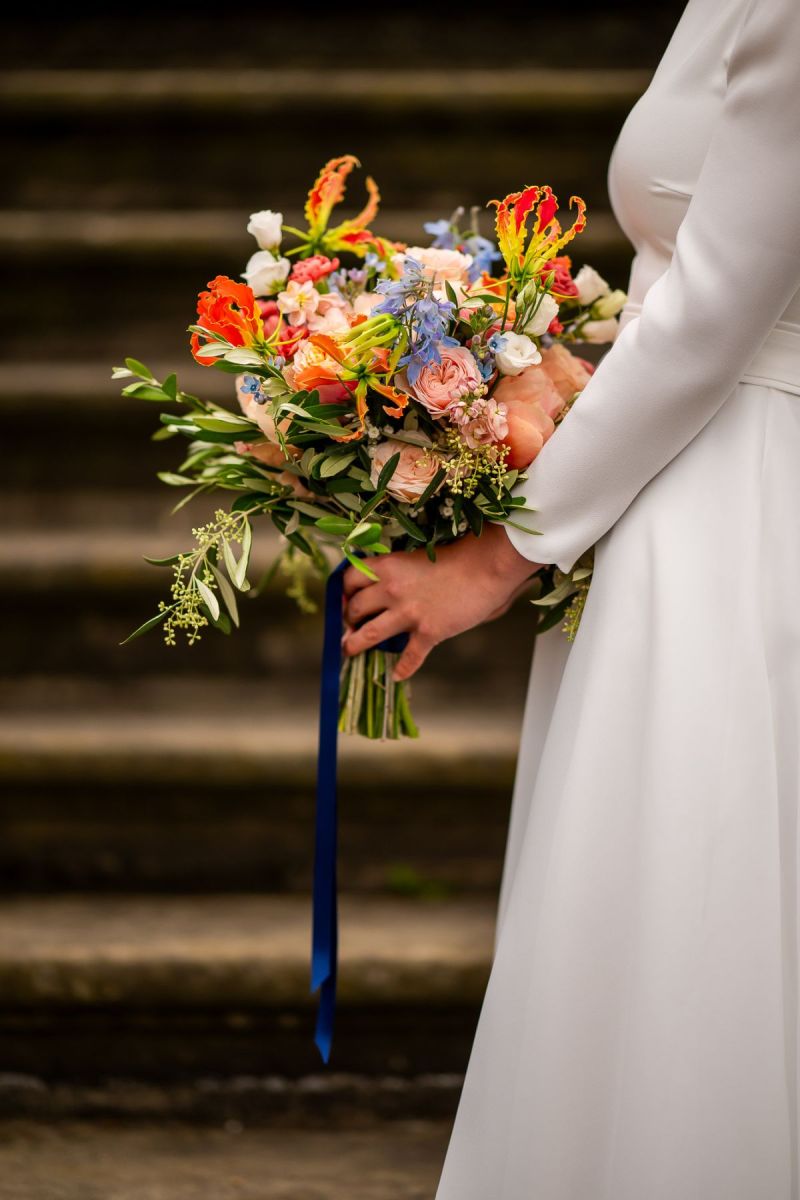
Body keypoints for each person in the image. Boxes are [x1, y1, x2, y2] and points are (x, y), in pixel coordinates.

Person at [343, 0, 800, 1193]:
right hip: (674, 464)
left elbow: (714, 314)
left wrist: (493, 560)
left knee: (692, 902)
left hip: (734, 504)